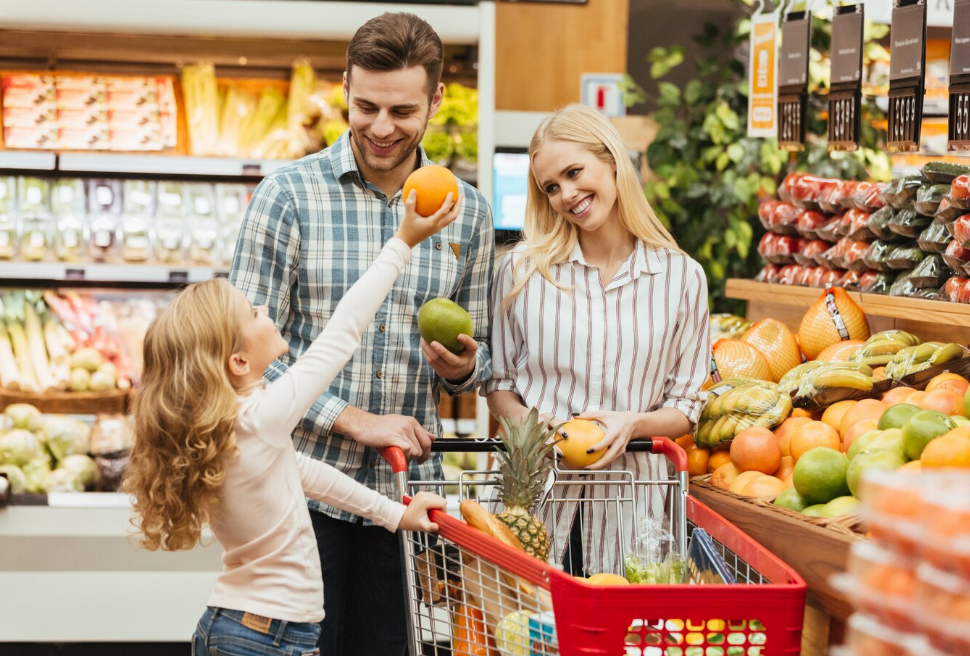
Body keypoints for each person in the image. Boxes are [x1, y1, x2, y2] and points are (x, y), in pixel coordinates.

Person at [228, 11, 494, 655]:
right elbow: (234, 360)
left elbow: (482, 355)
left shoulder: (469, 211)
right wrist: (347, 416)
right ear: (345, 87)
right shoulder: (287, 196)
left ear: (434, 100)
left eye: (402, 111)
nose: (380, 127)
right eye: (365, 105)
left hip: (397, 500)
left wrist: (461, 369)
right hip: (291, 495)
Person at [125, 191, 458, 656]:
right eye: (253, 313)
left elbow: (307, 474)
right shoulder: (259, 419)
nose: (265, 311)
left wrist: (394, 515)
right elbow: (343, 333)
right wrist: (402, 241)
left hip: (247, 629)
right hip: (264, 638)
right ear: (238, 361)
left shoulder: (237, 427)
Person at [484, 103, 710, 574]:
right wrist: (534, 428)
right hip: (536, 503)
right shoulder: (521, 272)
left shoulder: (682, 277)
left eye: (573, 172)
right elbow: (499, 383)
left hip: (635, 512)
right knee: (526, 640)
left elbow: (688, 407)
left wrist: (632, 424)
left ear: (611, 159)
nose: (567, 194)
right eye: (551, 187)